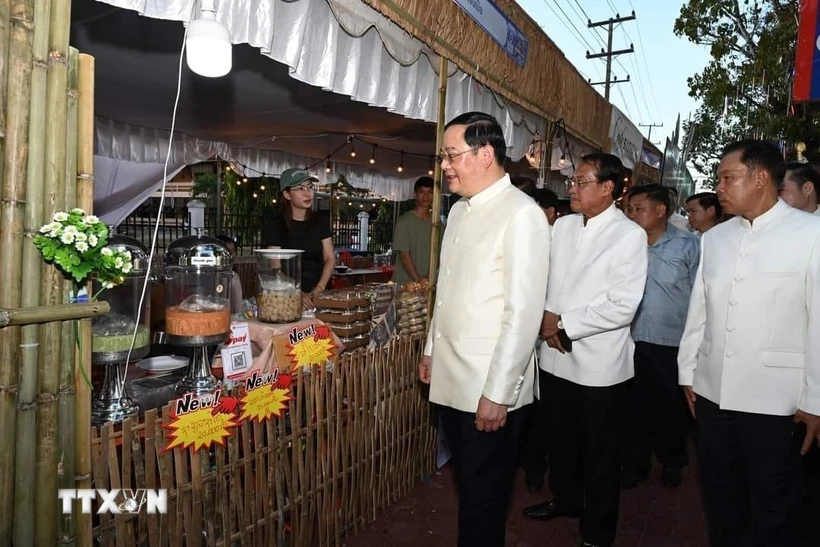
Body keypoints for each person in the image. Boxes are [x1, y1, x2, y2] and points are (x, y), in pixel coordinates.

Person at [678, 140, 820, 546]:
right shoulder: (716, 239)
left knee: (774, 502)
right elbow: (699, 311)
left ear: (760, 178)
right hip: (712, 391)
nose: (719, 187)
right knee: (721, 495)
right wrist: (688, 371)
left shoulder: (811, 233)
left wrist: (816, 399)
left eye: (728, 178)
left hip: (775, 400)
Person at [419, 112, 550, 547]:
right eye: (443, 156)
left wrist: (499, 393)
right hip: (453, 377)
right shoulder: (458, 211)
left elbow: (523, 314)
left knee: (484, 500)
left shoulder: (522, 215)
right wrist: (431, 348)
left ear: (486, 153)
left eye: (451, 155)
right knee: (470, 489)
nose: (444, 166)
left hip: (489, 388)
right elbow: (448, 288)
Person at [523, 153, 648, 547]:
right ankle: (567, 501)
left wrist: (561, 323)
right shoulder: (563, 227)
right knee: (561, 444)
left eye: (580, 182)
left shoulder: (629, 235)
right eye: (572, 182)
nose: (571, 188)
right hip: (554, 356)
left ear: (608, 188)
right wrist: (546, 319)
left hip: (598, 365)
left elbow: (622, 305)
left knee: (600, 455)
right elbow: (545, 280)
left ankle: (597, 532)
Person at [622, 184, 699, 490]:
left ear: (660, 210)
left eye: (638, 208)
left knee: (669, 409)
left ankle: (672, 460)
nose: (631, 214)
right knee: (632, 406)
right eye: (629, 209)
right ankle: (635, 462)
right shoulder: (626, 243)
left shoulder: (688, 245)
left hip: (671, 343)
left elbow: (698, 295)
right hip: (629, 340)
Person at [262, 168, 335, 308]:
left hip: (319, 294)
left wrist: (319, 289)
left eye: (310, 187)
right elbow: (275, 266)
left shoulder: (320, 221)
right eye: (300, 188)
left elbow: (330, 258)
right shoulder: (276, 224)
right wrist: (296, 293)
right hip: (287, 296)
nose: (307, 193)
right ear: (287, 194)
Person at [392, 177, 434, 285]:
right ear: (415, 194)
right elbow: (404, 255)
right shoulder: (404, 222)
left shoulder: (437, 224)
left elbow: (438, 255)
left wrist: (429, 278)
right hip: (405, 284)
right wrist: (419, 280)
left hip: (428, 285)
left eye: (430, 192)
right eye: (421, 192)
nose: (426, 196)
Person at [216, 234, 244, 314]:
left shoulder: (233, 277)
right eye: (226, 253)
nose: (230, 256)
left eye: (232, 252)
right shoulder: (204, 275)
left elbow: (239, 309)